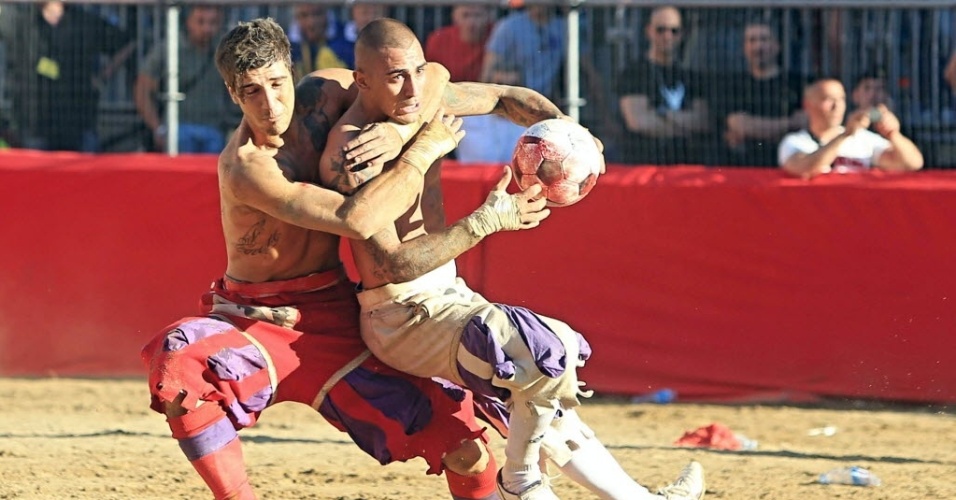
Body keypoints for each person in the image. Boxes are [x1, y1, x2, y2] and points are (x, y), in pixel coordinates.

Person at [319, 18, 706, 500]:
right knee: (547, 347)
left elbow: (505, 97)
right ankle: (519, 483)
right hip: (402, 316)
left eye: (418, 70)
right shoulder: (353, 151)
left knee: (546, 396)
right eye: (397, 76)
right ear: (363, 81)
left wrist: (569, 130)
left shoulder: (423, 98)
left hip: (444, 293)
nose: (414, 87)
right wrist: (484, 222)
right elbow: (393, 264)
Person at [140, 17, 509, 500]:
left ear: (292, 74)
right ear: (232, 93)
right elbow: (356, 219)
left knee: (464, 447)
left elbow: (431, 76)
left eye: (276, 84)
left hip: (337, 319)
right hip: (254, 320)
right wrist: (422, 148)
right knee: (181, 365)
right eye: (251, 92)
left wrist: (401, 135)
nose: (270, 104)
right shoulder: (247, 166)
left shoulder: (331, 89)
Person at [0, 1, 133, 151]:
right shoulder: (19, 20)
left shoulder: (84, 22)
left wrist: (102, 77)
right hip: (32, 124)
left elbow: (126, 44)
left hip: (77, 122)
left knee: (82, 172)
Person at [615, 6, 711, 165]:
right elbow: (638, 122)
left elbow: (702, 121)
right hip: (643, 165)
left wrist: (661, 113)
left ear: (682, 34)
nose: (667, 36)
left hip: (686, 166)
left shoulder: (691, 77)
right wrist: (684, 126)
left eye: (674, 31)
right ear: (649, 31)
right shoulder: (634, 73)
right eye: (661, 30)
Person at [134, 4, 236, 153]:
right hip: (178, 129)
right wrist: (158, 128)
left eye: (213, 23)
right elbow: (142, 88)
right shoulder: (169, 49)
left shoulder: (225, 51)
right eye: (201, 21)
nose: (207, 29)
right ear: (188, 22)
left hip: (215, 130)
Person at [778, 77, 924, 179]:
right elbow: (803, 168)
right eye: (828, 99)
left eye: (841, 99)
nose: (836, 107)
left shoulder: (863, 139)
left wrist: (893, 135)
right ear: (808, 105)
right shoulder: (794, 142)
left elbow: (912, 163)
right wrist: (845, 136)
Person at [711, 17, 805, 167]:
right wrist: (789, 124)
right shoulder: (732, 85)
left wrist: (752, 128)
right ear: (744, 47)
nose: (758, 46)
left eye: (764, 39)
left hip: (787, 167)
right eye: (752, 40)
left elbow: (805, 121)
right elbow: (738, 124)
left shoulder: (797, 84)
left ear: (777, 45)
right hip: (743, 168)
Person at [424, 3, 495, 163]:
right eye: (466, 15)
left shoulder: (497, 34)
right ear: (455, 16)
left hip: (487, 105)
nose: (472, 22)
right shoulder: (438, 39)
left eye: (477, 16)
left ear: (488, 17)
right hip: (449, 103)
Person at [289, 3, 347, 77]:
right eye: (304, 15)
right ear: (296, 18)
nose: (311, 23)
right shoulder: (287, 46)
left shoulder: (347, 39)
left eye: (317, 14)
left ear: (327, 14)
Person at [326, 2, 388, 69]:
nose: (370, 19)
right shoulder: (335, 45)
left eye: (376, 13)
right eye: (365, 12)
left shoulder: (392, 42)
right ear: (353, 11)